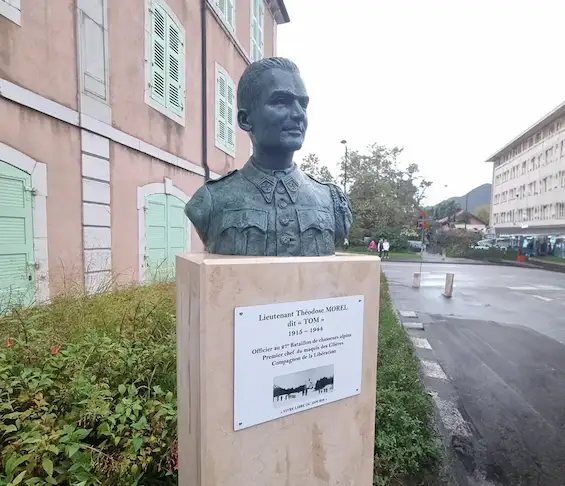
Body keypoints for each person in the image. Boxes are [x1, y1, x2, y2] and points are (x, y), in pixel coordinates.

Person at [185, 57, 352, 256]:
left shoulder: (330, 200)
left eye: (303, 104)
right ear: (245, 120)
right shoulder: (211, 200)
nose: (299, 114)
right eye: (281, 102)